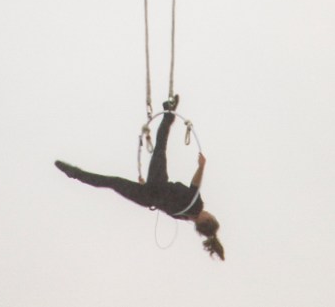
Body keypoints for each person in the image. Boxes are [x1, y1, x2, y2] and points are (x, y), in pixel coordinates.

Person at [55, 97, 225, 260]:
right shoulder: (184, 216)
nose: (210, 213)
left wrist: (201, 166)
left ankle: (169, 112)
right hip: (146, 196)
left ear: (207, 219)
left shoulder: (195, 207)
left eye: (211, 216)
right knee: (112, 182)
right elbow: (165, 202)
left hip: (156, 184)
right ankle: (74, 174)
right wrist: (146, 187)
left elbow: (195, 184)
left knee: (160, 148)